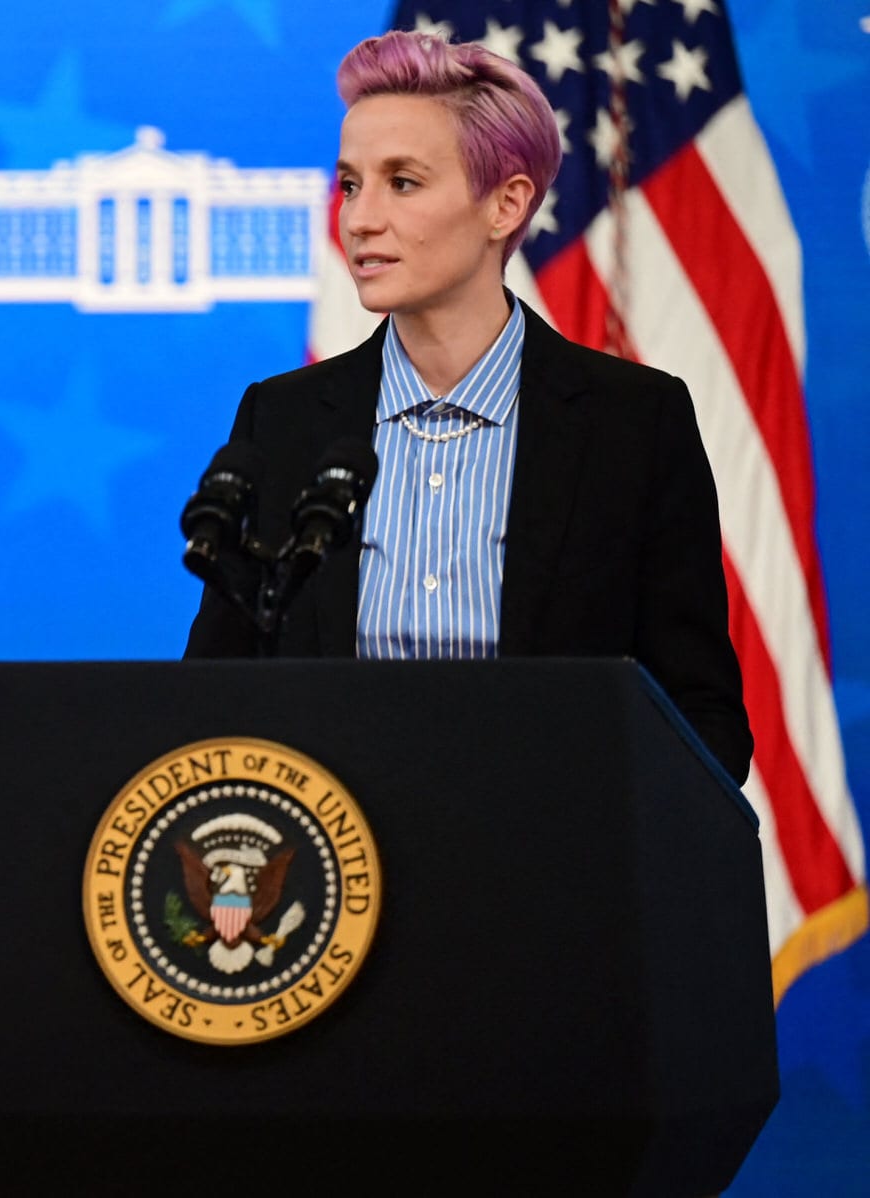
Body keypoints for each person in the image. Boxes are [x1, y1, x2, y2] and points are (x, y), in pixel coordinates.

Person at [184, 30, 751, 784]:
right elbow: (211, 700)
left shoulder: (633, 425)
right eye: (351, 183)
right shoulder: (281, 421)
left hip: (548, 877)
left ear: (505, 205)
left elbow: (701, 719)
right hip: (337, 876)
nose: (358, 219)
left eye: (403, 183)